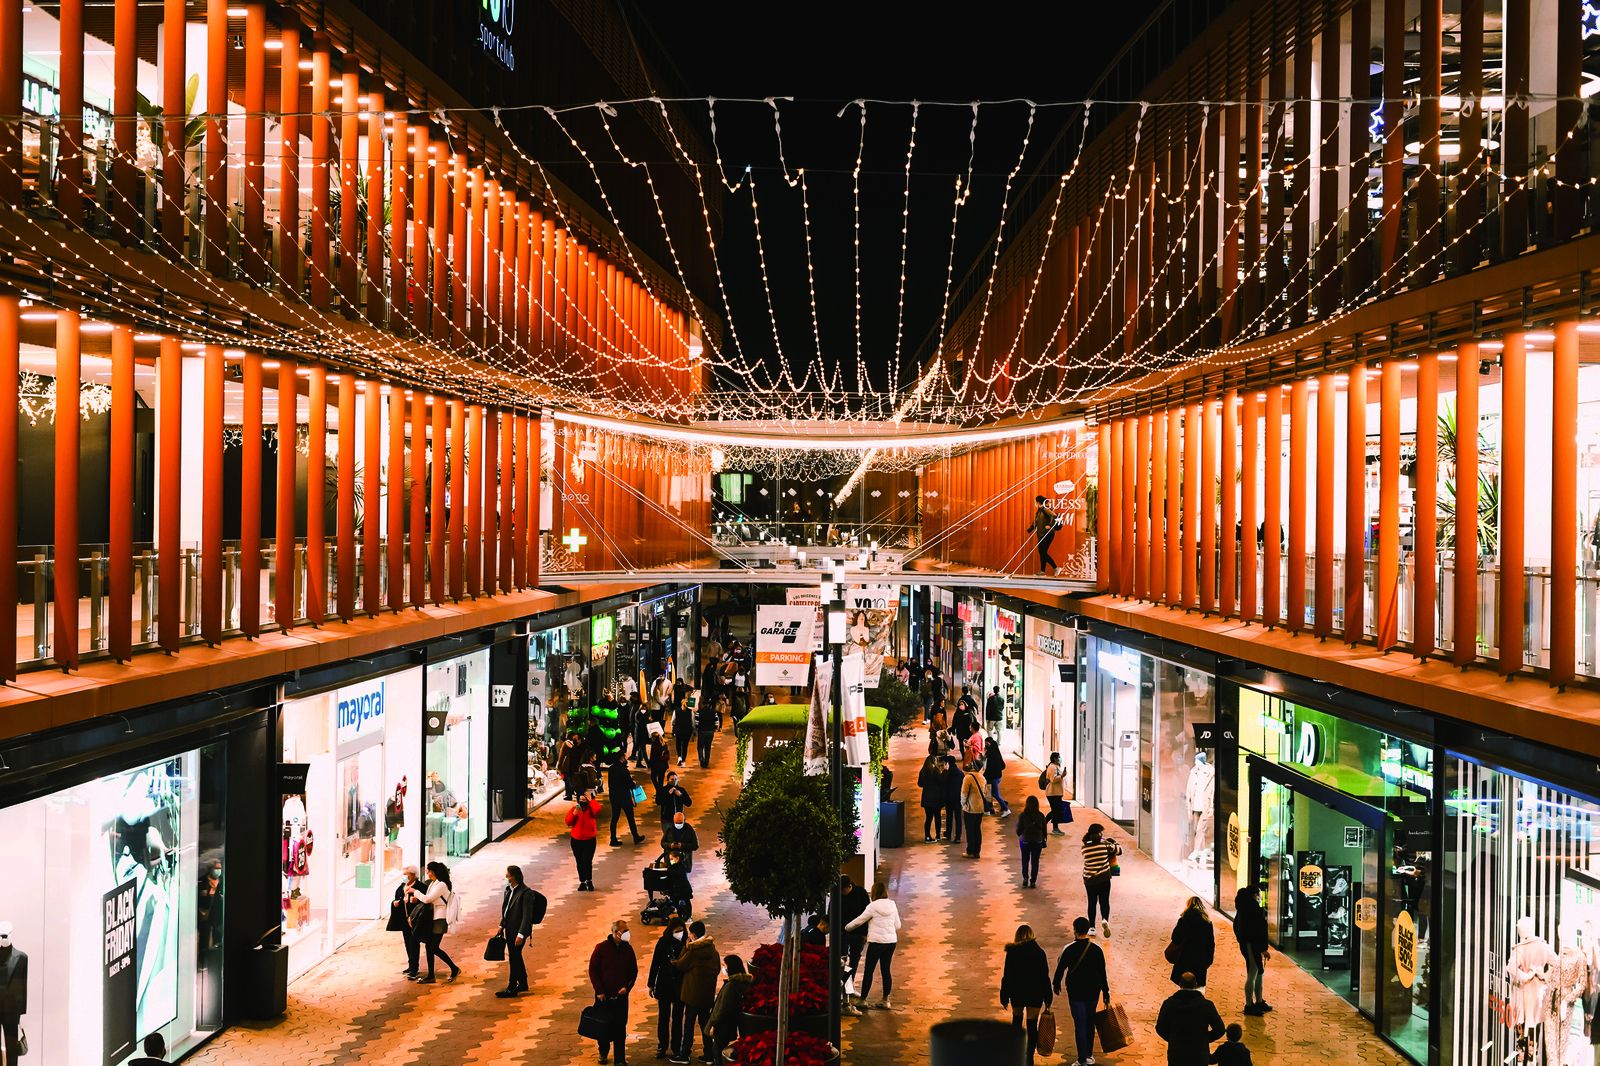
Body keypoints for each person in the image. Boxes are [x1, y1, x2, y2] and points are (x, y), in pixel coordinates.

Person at [1053, 916, 1110, 1066]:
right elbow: (1102, 973)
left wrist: (1056, 984)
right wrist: (1106, 992)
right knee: (1090, 1022)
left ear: (1075, 930)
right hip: (1093, 991)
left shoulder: (1069, 949)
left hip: (1076, 992)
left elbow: (1060, 968)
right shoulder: (1097, 950)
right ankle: (1089, 1055)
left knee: (1080, 1024)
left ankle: (1082, 1058)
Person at [1000, 924, 1054, 1064]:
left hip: (1017, 993)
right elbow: (1044, 977)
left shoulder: (1012, 953)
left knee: (1016, 1021)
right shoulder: (1039, 953)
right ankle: (1029, 1057)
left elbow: (1007, 976)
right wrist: (1048, 997)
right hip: (1035, 994)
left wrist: (1004, 996)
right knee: (1032, 1026)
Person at [844, 880, 902, 1010]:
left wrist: (846, 928)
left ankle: (863, 1000)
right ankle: (885, 1000)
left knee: (869, 971)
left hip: (876, 943)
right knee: (886, 970)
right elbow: (898, 925)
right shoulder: (892, 905)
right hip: (891, 942)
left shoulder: (872, 906)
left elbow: (859, 921)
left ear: (874, 892)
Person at [589, 919, 638, 1066]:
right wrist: (599, 990)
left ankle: (620, 1059)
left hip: (621, 997)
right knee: (603, 1026)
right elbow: (593, 970)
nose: (627, 933)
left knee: (620, 1028)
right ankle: (603, 1052)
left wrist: (627, 988)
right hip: (604, 997)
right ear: (616, 933)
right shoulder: (601, 948)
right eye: (624, 931)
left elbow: (633, 971)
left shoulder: (628, 949)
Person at [671, 920, 719, 1063]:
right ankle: (709, 1054)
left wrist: (686, 947)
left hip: (692, 994)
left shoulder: (693, 951)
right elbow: (716, 969)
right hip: (707, 994)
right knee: (705, 1024)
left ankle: (684, 1054)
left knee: (689, 1025)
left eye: (690, 934)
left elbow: (681, 964)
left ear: (694, 935)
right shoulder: (713, 950)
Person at [1156, 972, 1225, 1066]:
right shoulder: (1206, 1005)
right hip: (1199, 1053)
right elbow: (1220, 1029)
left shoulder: (1169, 1004)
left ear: (1180, 984)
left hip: (1177, 1053)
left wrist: (1173, 1038)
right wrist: (1204, 1039)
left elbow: (1160, 1028)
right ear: (1195, 985)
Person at [409, 861, 460, 983]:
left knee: (433, 947)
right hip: (433, 918)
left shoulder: (441, 885)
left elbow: (428, 899)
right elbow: (430, 899)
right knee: (430, 946)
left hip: (440, 919)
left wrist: (415, 891)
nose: (427, 873)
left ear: (433, 872)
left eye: (428, 871)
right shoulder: (434, 883)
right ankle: (431, 975)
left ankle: (454, 968)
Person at [649, 919, 689, 1061]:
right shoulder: (663, 942)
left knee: (678, 1018)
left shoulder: (687, 943)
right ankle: (662, 1045)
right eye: (677, 931)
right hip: (664, 984)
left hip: (680, 985)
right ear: (670, 931)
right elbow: (655, 963)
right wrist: (651, 984)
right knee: (663, 1017)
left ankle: (676, 1047)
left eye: (681, 930)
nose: (680, 933)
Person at [496, 864, 538, 998]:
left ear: (514, 877)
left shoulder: (526, 893)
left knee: (514, 958)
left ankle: (512, 987)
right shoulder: (508, 890)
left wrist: (521, 934)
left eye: (508, 875)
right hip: (509, 929)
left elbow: (527, 917)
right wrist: (501, 925)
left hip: (518, 932)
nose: (506, 876)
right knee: (516, 956)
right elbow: (506, 910)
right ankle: (523, 983)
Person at [1232, 883, 1272, 1015]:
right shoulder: (1253, 909)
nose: (1260, 896)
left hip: (1248, 944)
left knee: (1258, 971)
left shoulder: (1243, 909)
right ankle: (1249, 1005)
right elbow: (1260, 931)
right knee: (1253, 973)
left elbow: (1236, 927)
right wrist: (1263, 948)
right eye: (1259, 894)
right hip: (1252, 945)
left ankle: (1258, 1001)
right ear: (1255, 895)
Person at [707, 955, 751, 1062]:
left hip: (723, 1026)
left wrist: (714, 1024)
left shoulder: (731, 986)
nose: (723, 968)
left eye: (725, 966)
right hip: (729, 1024)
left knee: (717, 1052)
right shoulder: (740, 983)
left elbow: (723, 1008)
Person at [1082, 823, 1123, 938]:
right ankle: (1105, 920)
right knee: (1104, 901)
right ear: (1099, 834)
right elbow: (1120, 851)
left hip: (1089, 880)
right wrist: (1113, 842)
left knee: (1092, 902)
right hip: (1103, 879)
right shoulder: (1105, 845)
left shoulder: (1084, 848)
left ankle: (1092, 927)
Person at [1169, 896, 1216, 987]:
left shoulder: (1183, 920)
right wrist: (1209, 960)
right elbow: (1211, 944)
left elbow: (1175, 938)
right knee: (1198, 985)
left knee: (1184, 982)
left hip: (1184, 957)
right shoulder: (1207, 923)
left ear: (1188, 906)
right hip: (1200, 959)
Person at [388, 865, 422, 978]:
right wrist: (395, 903)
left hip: (415, 920)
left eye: (406, 874)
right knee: (408, 943)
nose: (404, 877)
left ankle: (414, 968)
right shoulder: (401, 887)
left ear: (412, 875)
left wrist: (417, 900)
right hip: (404, 920)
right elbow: (397, 899)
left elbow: (426, 901)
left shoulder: (420, 886)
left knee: (414, 943)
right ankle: (411, 965)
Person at [840, 874, 871, 989]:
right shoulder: (838, 894)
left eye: (843, 890)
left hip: (859, 934)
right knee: (841, 959)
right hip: (842, 933)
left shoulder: (861, 893)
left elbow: (867, 914)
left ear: (849, 886)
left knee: (854, 959)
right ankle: (842, 983)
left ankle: (849, 984)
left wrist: (865, 934)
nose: (842, 893)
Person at [566, 790, 600, 891]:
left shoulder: (591, 809)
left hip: (589, 840)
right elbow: (568, 822)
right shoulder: (574, 809)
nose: (582, 801)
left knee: (587, 861)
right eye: (581, 799)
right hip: (576, 840)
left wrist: (592, 800)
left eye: (584, 800)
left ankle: (589, 880)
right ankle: (582, 881)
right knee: (579, 862)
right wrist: (574, 814)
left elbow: (598, 809)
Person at [608, 756, 646, 846]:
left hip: (614, 797)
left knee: (614, 819)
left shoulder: (611, 769)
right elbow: (630, 784)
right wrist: (633, 783)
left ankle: (613, 839)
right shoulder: (624, 770)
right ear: (621, 758)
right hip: (624, 797)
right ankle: (635, 837)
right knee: (630, 818)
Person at [960, 759, 994, 858]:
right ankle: (977, 851)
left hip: (970, 808)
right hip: (980, 808)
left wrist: (963, 804)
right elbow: (988, 794)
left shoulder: (968, 778)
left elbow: (964, 794)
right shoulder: (982, 778)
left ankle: (970, 851)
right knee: (977, 830)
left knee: (970, 830)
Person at [1015, 795, 1048, 888]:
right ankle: (1033, 881)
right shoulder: (1041, 815)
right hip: (1037, 841)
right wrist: (1043, 838)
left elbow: (1018, 831)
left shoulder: (1022, 815)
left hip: (1025, 841)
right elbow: (1044, 830)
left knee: (1025, 860)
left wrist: (1022, 835)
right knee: (1035, 861)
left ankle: (1025, 878)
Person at [917, 754, 946, 842]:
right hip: (936, 797)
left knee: (928, 818)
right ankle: (938, 835)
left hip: (926, 797)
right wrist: (944, 771)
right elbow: (941, 781)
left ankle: (927, 836)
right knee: (937, 817)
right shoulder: (935, 770)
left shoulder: (923, 771)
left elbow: (919, 784)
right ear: (934, 761)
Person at [1030, 494, 1060, 573]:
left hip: (1047, 534)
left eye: (1035, 502)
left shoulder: (1044, 509)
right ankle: (1042, 571)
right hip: (1042, 533)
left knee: (1042, 552)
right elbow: (1036, 521)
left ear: (1038, 502)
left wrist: (1050, 525)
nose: (1035, 503)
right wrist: (1030, 529)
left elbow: (1054, 516)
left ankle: (1055, 568)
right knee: (1042, 552)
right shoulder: (1039, 511)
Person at [1042, 752, 1071, 834]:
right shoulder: (1052, 767)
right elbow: (1053, 779)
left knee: (1056, 811)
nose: (1060, 759)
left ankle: (1054, 828)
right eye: (1059, 757)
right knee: (1056, 811)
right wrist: (1062, 776)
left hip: (1056, 793)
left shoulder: (1055, 766)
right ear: (1055, 759)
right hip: (1053, 793)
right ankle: (1044, 824)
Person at [984, 736, 1012, 816]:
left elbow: (989, 768)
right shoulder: (996, 752)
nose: (986, 745)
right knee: (989, 792)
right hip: (996, 776)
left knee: (994, 793)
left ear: (989, 744)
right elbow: (1003, 765)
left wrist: (984, 775)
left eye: (986, 744)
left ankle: (1006, 809)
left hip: (993, 778)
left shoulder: (991, 755)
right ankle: (990, 809)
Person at [941, 755, 966, 845]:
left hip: (948, 799)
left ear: (948, 763)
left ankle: (948, 833)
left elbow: (942, 783)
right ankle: (958, 837)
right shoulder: (960, 773)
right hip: (958, 798)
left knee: (949, 816)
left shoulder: (947, 773)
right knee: (958, 817)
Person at [694, 685, 720, 768]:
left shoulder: (699, 712)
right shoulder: (713, 712)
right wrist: (715, 728)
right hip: (710, 731)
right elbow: (716, 722)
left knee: (700, 746)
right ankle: (707, 761)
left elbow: (696, 722)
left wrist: (697, 728)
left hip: (702, 731)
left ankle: (701, 758)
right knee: (708, 747)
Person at [672, 691, 695, 766]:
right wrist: (693, 731)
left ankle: (679, 757)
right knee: (685, 746)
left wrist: (673, 729)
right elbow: (693, 722)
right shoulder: (690, 712)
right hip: (687, 731)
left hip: (678, 730)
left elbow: (673, 721)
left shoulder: (676, 711)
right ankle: (683, 762)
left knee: (678, 744)